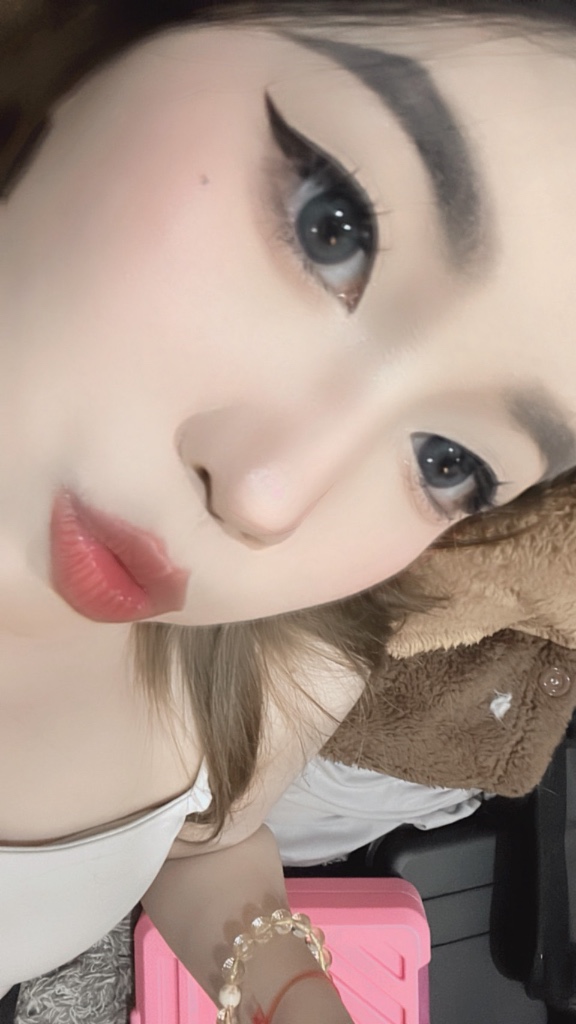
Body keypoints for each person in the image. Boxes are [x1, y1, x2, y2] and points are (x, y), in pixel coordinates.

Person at [3, 0, 576, 1020]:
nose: (266, 499)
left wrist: (289, 990)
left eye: (448, 462)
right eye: (331, 226)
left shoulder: (285, 666)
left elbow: (199, 848)